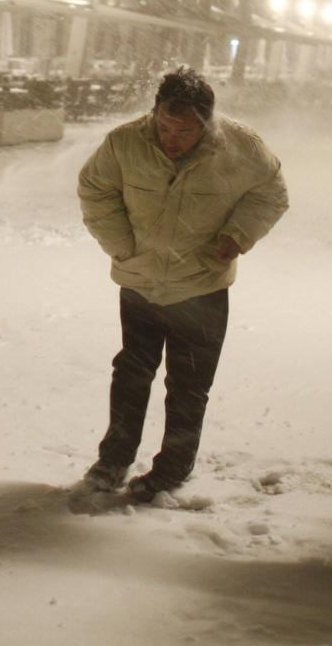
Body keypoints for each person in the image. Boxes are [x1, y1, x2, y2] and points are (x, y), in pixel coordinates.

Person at [77, 67, 289, 502]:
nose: (171, 138)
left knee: (188, 385)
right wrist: (121, 245)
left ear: (206, 123)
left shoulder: (240, 148)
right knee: (132, 374)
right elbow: (95, 189)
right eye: (164, 126)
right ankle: (113, 460)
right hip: (141, 282)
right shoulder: (125, 143)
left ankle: (172, 468)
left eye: (184, 131)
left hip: (202, 287)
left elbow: (271, 193)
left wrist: (236, 236)